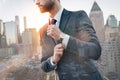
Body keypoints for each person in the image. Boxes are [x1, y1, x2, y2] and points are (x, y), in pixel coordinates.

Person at [35, 0, 103, 80]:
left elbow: (95, 50)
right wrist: (53, 59)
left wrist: (63, 37)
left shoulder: (78, 16)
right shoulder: (43, 30)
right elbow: (44, 65)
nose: (36, 2)